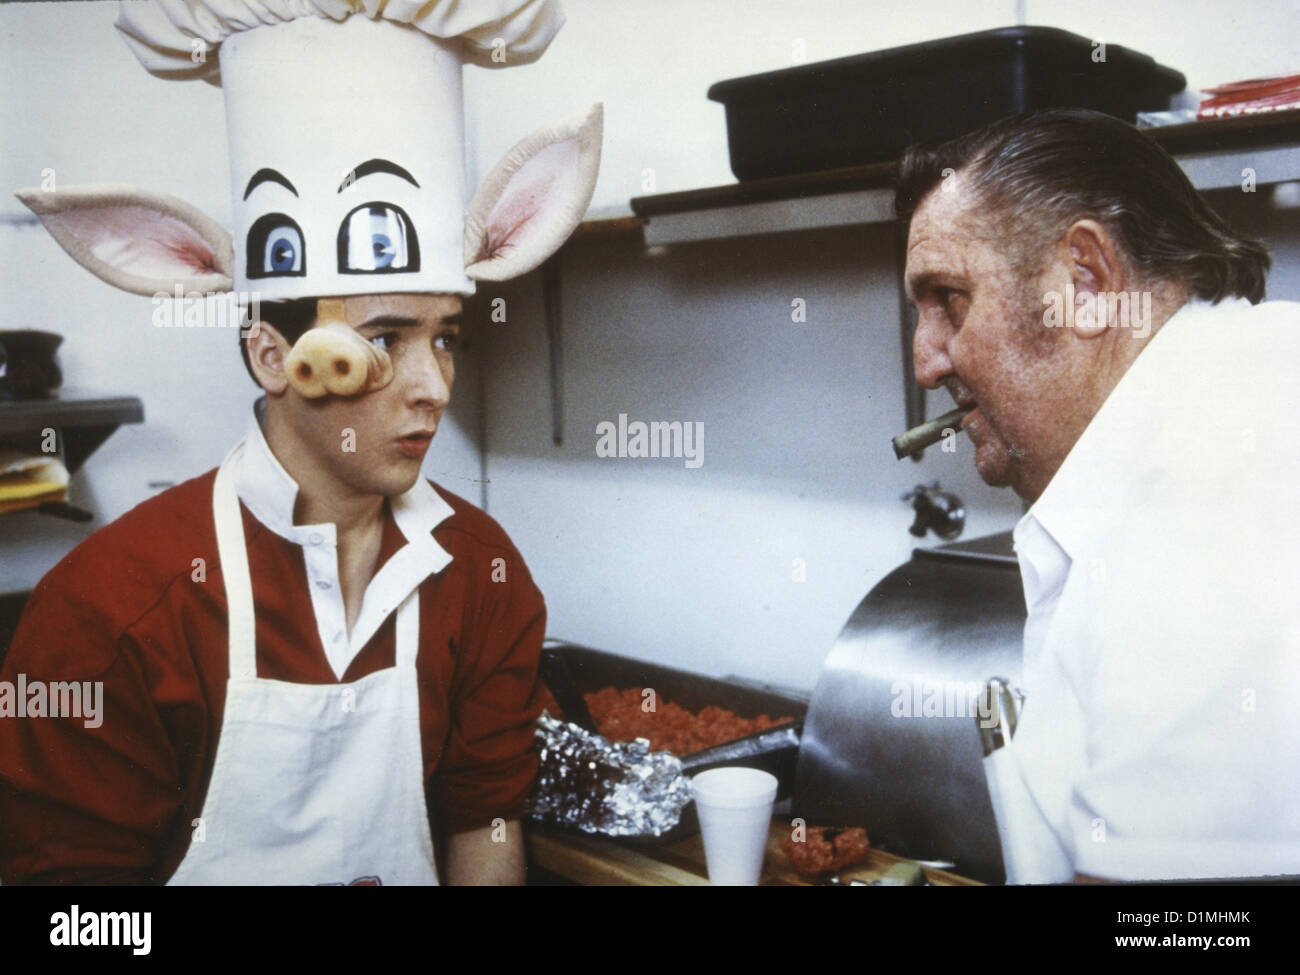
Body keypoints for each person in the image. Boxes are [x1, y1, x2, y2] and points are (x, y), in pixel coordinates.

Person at [0, 0, 602, 885]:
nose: (434, 386)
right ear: (271, 353)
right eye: (388, 339)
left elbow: (487, 821)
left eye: (447, 337)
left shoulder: (482, 577)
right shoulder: (108, 612)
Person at [896, 108, 1300, 883]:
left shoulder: (1224, 465)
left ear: (1086, 282)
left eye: (949, 297)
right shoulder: (1188, 421)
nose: (926, 362)